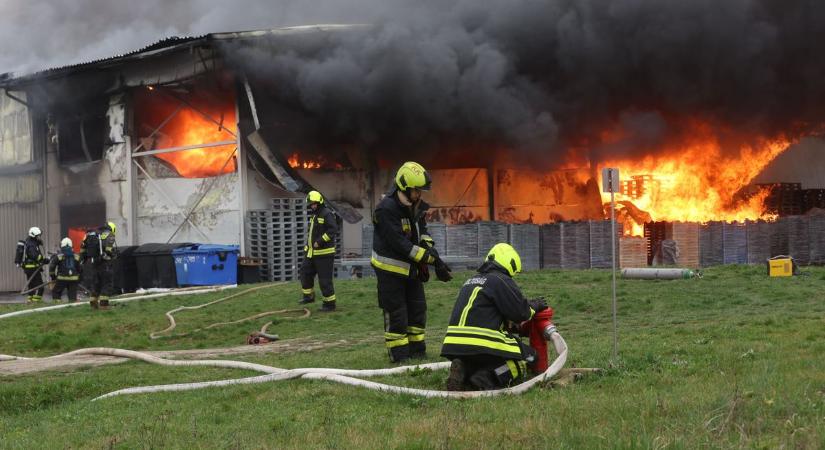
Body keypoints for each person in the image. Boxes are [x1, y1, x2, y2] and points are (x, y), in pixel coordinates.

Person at [371, 161, 452, 363]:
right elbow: (401, 245)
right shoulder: (386, 210)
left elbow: (422, 231)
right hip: (390, 270)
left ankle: (417, 351)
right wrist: (433, 260)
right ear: (404, 187)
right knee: (397, 313)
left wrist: (429, 247)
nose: (419, 195)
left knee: (418, 310)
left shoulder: (414, 206)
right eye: (416, 190)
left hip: (411, 269)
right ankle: (399, 357)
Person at [440, 243, 549, 391]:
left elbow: (485, 313)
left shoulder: (470, 281)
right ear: (510, 264)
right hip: (482, 340)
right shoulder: (501, 279)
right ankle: (487, 377)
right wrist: (534, 305)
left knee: (479, 357)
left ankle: (464, 368)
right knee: (528, 358)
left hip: (453, 344)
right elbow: (520, 313)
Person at [299, 190, 339, 312]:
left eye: (314, 204)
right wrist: (308, 247)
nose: (312, 206)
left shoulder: (326, 214)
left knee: (324, 280)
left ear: (319, 202)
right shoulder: (315, 214)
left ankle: (329, 304)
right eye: (311, 204)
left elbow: (333, 230)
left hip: (324, 254)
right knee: (305, 273)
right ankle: (308, 296)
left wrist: (320, 241)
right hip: (311, 253)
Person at [80, 222, 118, 309]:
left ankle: (93, 303)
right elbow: (108, 250)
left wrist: (83, 261)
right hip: (105, 263)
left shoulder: (91, 235)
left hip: (94, 263)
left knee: (96, 283)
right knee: (107, 283)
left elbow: (82, 249)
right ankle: (104, 304)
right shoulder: (109, 234)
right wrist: (113, 255)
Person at [15, 226, 46, 303]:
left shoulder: (30, 242)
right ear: (34, 236)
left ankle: (30, 300)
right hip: (33, 268)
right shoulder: (32, 244)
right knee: (40, 286)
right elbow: (35, 256)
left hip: (29, 268)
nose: (39, 237)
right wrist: (44, 259)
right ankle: (36, 301)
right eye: (38, 236)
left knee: (31, 285)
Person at [49, 237, 82, 303]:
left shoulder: (59, 256)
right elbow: (80, 269)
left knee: (56, 292)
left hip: (62, 278)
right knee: (72, 296)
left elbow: (52, 267)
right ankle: (71, 308)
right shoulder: (76, 256)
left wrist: (53, 277)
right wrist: (79, 278)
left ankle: (57, 306)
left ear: (61, 245)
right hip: (73, 279)